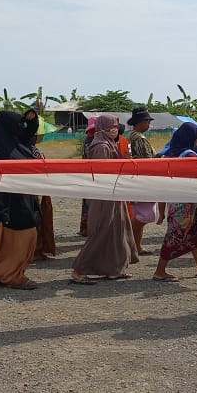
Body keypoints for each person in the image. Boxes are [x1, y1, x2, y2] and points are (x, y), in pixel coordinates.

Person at [0, 110, 41, 289]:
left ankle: (1, 272)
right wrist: (2, 211)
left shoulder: (16, 142)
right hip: (11, 204)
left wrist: (32, 119)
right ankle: (12, 275)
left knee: (17, 240)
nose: (21, 128)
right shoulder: (0, 149)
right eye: (18, 124)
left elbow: (30, 131)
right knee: (21, 239)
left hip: (23, 199)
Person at [72, 114, 138, 284]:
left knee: (116, 230)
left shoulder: (110, 144)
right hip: (105, 196)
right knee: (102, 231)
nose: (114, 130)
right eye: (110, 127)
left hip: (113, 194)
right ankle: (79, 270)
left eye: (116, 126)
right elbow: (103, 174)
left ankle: (114, 269)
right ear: (102, 128)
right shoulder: (101, 146)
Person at [150, 122, 197, 282]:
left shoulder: (170, 154)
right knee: (174, 236)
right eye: (196, 137)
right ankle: (160, 271)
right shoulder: (189, 156)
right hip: (186, 204)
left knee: (195, 234)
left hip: (177, 201)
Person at [125, 107, 158, 256]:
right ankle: (127, 243)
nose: (149, 124)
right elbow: (147, 161)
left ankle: (136, 246)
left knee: (140, 215)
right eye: (147, 121)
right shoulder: (139, 138)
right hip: (143, 180)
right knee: (145, 216)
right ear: (140, 122)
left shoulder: (130, 136)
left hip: (135, 180)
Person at [30, 118, 58, 261]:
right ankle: (35, 250)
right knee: (37, 221)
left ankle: (38, 249)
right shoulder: (31, 150)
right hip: (36, 190)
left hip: (40, 189)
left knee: (40, 220)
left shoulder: (33, 149)